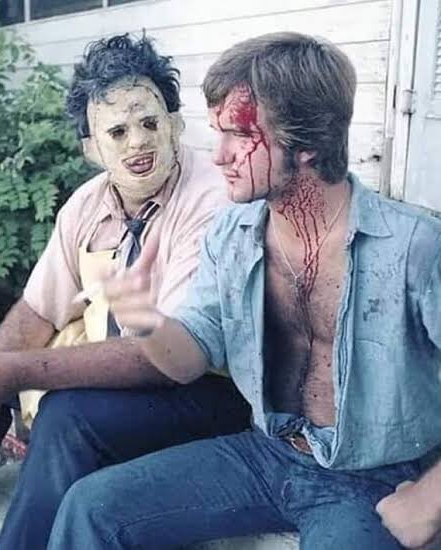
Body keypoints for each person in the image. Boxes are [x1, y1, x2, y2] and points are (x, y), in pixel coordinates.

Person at [72, 32, 441, 549]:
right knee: (92, 507)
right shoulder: (232, 233)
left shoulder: (413, 246)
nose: (218, 156)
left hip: (375, 476)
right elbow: (188, 359)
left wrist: (429, 499)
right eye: (216, 133)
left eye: (239, 135)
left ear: (307, 143)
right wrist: (146, 321)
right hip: (267, 452)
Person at [0, 35, 251, 550]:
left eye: (150, 122)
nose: (137, 142)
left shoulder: (213, 201)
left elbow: (167, 361)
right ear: (92, 147)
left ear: (175, 124)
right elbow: (38, 310)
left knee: (68, 415)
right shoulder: (87, 203)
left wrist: (14, 374)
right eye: (118, 131)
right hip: (126, 369)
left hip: (203, 390)